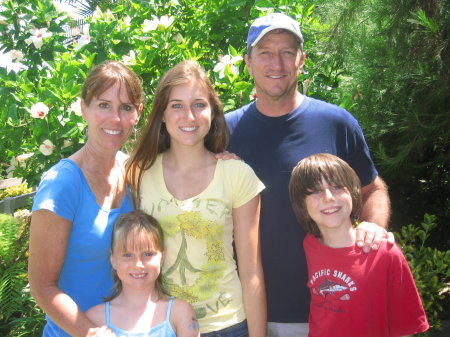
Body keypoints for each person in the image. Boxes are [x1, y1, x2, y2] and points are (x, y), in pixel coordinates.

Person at [225, 12, 392, 337]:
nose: (277, 63)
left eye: (287, 52)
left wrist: (372, 225)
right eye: (265, 53)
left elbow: (373, 189)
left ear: (302, 60)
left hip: (333, 306)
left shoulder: (337, 123)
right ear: (248, 62)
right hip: (247, 313)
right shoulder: (224, 131)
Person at [126, 60, 267, 337]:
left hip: (229, 326)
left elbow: (252, 272)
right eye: (176, 105)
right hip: (162, 325)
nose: (188, 116)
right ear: (162, 115)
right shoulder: (138, 173)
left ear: (213, 112)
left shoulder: (237, 174)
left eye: (199, 104)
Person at [28, 60, 144, 337]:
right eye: (104, 105)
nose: (115, 118)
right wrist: (92, 333)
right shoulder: (62, 184)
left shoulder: (131, 172)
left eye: (125, 107)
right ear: (84, 108)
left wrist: (219, 158)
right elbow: (42, 286)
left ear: (137, 114)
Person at [288, 153, 429, 336]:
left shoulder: (385, 252)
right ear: (302, 206)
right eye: (315, 191)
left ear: (353, 194)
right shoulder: (309, 245)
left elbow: (405, 327)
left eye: (337, 187)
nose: (328, 197)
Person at [86, 210, 200, 337]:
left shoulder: (180, 312)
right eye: (127, 255)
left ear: (162, 257)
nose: (138, 265)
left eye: (147, 254)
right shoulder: (95, 319)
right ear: (113, 259)